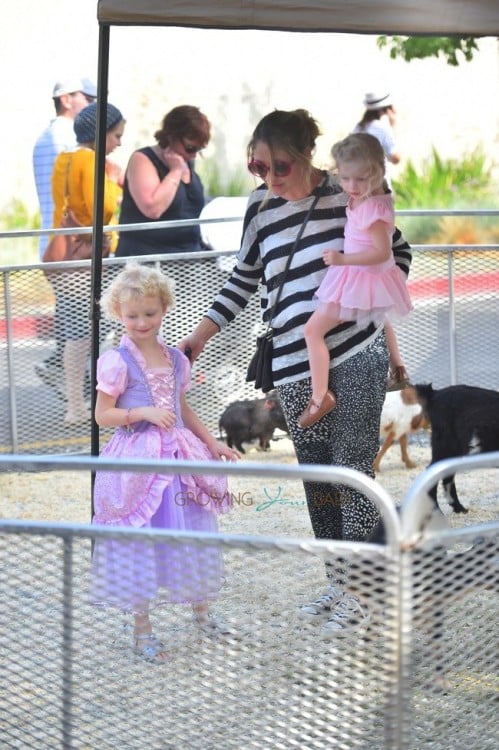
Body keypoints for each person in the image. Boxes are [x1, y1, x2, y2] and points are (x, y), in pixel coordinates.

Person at [179, 109, 412, 635]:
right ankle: (339, 578)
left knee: (352, 470)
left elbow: (398, 253)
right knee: (318, 480)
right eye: (257, 167)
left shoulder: (348, 193)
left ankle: (362, 590)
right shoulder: (259, 209)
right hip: (291, 362)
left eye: (279, 166)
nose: (268, 177)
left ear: (306, 155)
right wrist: (197, 338)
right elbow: (241, 282)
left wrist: (361, 296)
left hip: (354, 351)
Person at [90, 263, 239, 663]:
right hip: (138, 463)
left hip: (178, 459)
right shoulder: (116, 361)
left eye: (150, 313)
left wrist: (213, 444)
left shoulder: (176, 358)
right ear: (118, 314)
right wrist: (142, 412)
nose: (142, 322)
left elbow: (181, 407)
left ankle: (202, 611)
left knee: (191, 529)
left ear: (165, 309)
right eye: (132, 315)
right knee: (140, 540)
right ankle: (143, 631)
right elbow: (102, 415)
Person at [299, 133, 412, 429]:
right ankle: (398, 367)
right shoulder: (372, 195)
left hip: (360, 274)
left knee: (312, 331)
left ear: (377, 172)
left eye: (360, 179)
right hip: (369, 277)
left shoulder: (373, 209)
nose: (351, 186)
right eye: (345, 178)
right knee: (379, 313)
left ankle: (319, 396)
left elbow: (381, 251)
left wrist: (342, 259)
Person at [50, 101, 125, 424]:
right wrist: (115, 187)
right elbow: (101, 209)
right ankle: (87, 404)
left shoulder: (64, 158)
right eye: (116, 135)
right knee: (90, 332)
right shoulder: (92, 161)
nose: (119, 142)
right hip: (89, 259)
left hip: (66, 258)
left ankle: (75, 403)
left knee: (74, 333)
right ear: (101, 134)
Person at [33, 76, 97, 392]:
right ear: (66, 98)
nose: (93, 105)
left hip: (61, 243)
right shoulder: (66, 139)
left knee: (76, 319)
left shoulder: (50, 136)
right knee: (80, 324)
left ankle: (69, 377)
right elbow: (75, 200)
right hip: (69, 246)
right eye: (87, 98)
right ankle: (66, 378)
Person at [115, 105, 211, 257]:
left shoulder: (186, 161)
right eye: (190, 148)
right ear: (171, 137)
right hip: (148, 260)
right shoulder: (142, 159)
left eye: (198, 150)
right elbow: (153, 209)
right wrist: (175, 171)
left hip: (187, 259)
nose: (193, 155)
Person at [353, 91, 400, 188]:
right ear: (388, 109)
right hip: (379, 187)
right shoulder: (382, 129)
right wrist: (393, 127)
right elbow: (395, 158)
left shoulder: (358, 128)